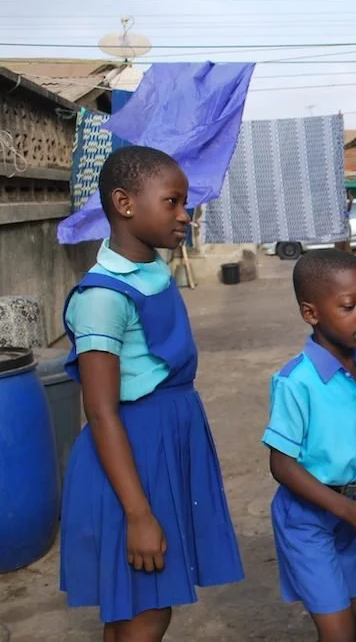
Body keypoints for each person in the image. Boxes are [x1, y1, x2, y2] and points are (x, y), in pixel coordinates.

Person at [59, 146, 244, 640]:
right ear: (124, 203)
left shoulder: (151, 271)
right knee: (147, 609)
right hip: (132, 457)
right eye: (172, 202)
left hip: (163, 443)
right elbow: (100, 413)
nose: (185, 216)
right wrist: (140, 515)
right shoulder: (102, 298)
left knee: (137, 603)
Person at [263, 249, 356, 642]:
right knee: (338, 628)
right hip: (309, 517)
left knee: (353, 609)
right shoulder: (296, 382)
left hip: (350, 507)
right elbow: (282, 464)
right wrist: (350, 511)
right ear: (311, 313)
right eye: (349, 306)